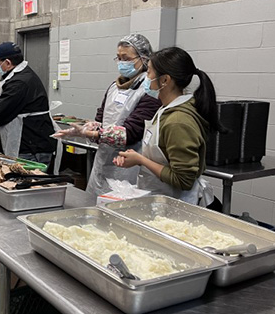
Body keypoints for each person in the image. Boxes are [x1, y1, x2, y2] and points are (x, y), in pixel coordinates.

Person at [113, 47, 223, 206]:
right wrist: (137, 158)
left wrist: (142, 160)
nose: (146, 77)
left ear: (165, 80)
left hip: (179, 206)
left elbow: (183, 179)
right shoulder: (165, 109)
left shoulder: (178, 120)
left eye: (149, 72)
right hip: (161, 201)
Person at [55, 34, 161, 196]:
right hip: (103, 162)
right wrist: (85, 129)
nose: (121, 63)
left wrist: (88, 133)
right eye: (118, 58)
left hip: (127, 167)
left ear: (144, 59)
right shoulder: (114, 87)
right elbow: (101, 120)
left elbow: (130, 134)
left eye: (126, 58)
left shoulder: (149, 91)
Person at [0, 42, 57, 166]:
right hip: (29, 143)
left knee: (28, 182)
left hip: (33, 147)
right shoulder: (20, 75)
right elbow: (8, 103)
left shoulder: (19, 82)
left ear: (7, 63)